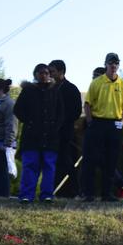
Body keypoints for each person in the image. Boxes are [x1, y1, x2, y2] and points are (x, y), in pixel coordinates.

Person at [82, 53, 123, 202]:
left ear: (118, 65)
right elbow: (87, 104)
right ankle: (88, 193)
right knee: (91, 159)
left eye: (116, 63)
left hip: (114, 124)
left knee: (111, 160)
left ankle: (107, 193)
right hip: (98, 122)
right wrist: (91, 122)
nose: (113, 66)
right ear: (106, 64)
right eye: (110, 63)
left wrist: (121, 123)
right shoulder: (97, 82)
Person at [14, 64, 62, 203]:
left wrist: (55, 127)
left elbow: (61, 112)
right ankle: (26, 195)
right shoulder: (28, 90)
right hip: (31, 136)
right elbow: (18, 110)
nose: (44, 75)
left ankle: (47, 195)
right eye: (41, 72)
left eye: (47, 73)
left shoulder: (55, 91)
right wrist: (29, 122)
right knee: (30, 165)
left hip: (50, 136)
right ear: (35, 74)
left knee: (49, 166)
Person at [47, 61, 82, 198]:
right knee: (51, 161)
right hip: (51, 131)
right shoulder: (50, 88)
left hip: (64, 131)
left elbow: (76, 111)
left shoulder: (71, 88)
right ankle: (54, 191)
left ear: (61, 72)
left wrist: (63, 121)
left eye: (53, 71)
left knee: (66, 161)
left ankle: (75, 190)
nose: (50, 74)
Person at [0, 78, 15, 198]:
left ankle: (2, 196)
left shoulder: (8, 103)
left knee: (1, 172)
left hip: (1, 143)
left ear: (0, 88)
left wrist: (7, 143)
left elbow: (11, 124)